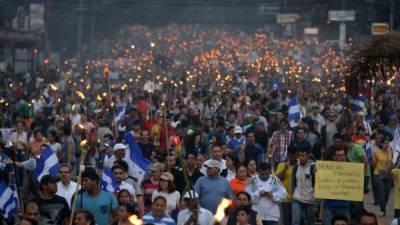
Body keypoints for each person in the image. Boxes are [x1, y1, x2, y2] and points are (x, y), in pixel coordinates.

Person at [323, 145, 350, 225]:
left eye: (343, 155)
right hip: (329, 206)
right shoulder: (325, 168)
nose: (342, 157)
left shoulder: (352, 169)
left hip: (344, 205)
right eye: (339, 155)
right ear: (334, 157)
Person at [291, 147, 318, 225]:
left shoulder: (314, 168)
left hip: (310, 200)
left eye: (303, 155)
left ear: (308, 156)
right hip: (297, 198)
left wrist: (316, 203)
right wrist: (293, 195)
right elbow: (293, 183)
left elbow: (318, 185)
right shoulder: (296, 167)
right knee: (295, 221)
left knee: (310, 222)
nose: (301, 157)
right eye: (299, 155)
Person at [275, 145, 297, 225]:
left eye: (295, 156)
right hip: (286, 198)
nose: (293, 159)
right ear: (288, 155)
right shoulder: (282, 164)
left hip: (297, 198)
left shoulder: (299, 165)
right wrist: (285, 169)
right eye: (291, 156)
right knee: (287, 221)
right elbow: (277, 180)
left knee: (296, 221)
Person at [371, 137, 393, 217]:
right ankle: (382, 210)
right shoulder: (376, 152)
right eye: (385, 143)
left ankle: (383, 207)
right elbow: (373, 164)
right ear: (381, 144)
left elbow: (391, 162)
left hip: (387, 175)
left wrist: (389, 170)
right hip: (378, 174)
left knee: (387, 193)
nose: (386, 144)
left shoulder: (390, 152)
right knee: (381, 193)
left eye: (387, 143)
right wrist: (372, 158)